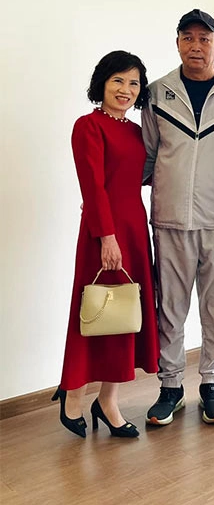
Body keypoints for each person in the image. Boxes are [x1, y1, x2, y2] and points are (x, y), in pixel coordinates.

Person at [143, 9, 214, 425]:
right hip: (169, 219)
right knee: (170, 310)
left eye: (204, 39)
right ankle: (170, 388)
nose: (196, 46)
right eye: (188, 38)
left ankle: (212, 385)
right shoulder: (156, 92)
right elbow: (148, 155)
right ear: (178, 43)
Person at [54, 51, 159, 439]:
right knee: (95, 312)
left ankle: (108, 401)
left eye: (134, 83)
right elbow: (93, 186)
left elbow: (144, 175)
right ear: (102, 83)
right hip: (105, 233)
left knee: (125, 315)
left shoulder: (136, 131)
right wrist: (107, 237)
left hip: (135, 230)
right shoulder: (88, 126)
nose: (125, 89)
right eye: (118, 80)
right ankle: (73, 396)